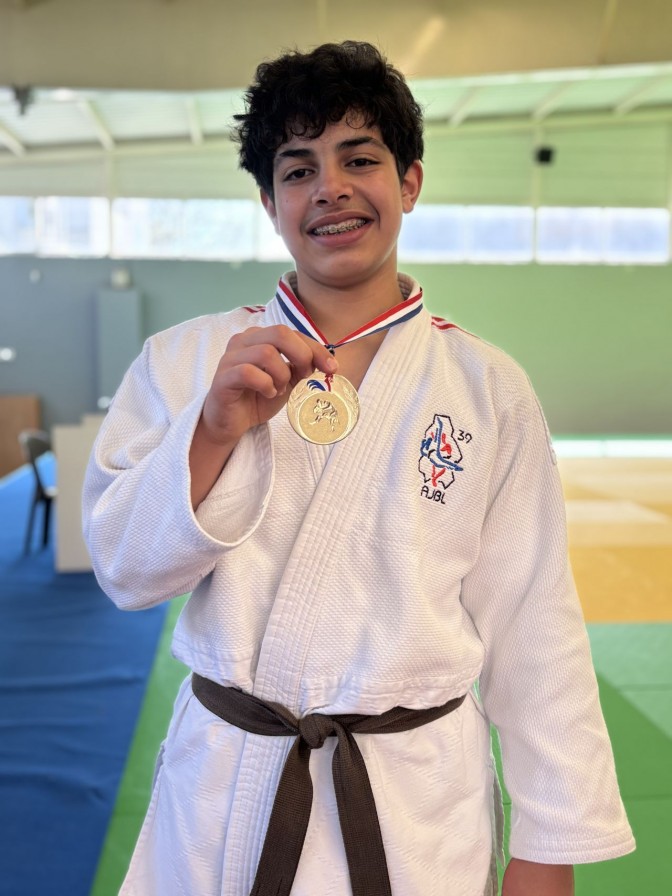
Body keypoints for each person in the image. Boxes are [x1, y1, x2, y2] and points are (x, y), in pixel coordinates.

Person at [82, 40, 635, 896]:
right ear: (270, 203)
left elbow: (535, 625)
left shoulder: (487, 388)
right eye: (297, 170)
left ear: (409, 181)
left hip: (415, 800)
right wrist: (211, 430)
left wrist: (547, 842)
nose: (329, 187)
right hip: (231, 783)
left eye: (360, 158)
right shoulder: (186, 361)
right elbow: (122, 569)